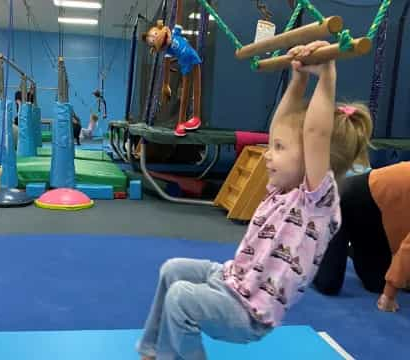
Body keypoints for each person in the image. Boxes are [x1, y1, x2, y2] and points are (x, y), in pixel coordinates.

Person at [136, 41, 372, 360]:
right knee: (172, 270)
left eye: (279, 149)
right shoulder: (281, 191)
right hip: (230, 281)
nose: (268, 157)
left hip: (248, 313)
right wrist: (298, 78)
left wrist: (327, 74)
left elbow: (315, 134)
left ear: (314, 161)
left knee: (180, 298)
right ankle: (151, 349)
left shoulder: (315, 203)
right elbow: (281, 124)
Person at [313, 162, 410, 312]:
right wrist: (389, 296)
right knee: (328, 284)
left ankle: (355, 247)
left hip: (377, 212)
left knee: (376, 284)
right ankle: (313, 252)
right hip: (350, 197)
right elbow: (407, 248)